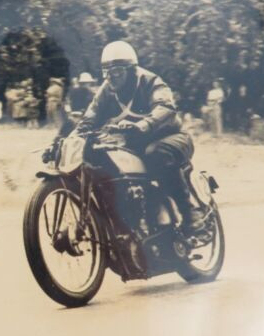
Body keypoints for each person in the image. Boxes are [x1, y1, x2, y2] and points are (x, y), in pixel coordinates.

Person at [75, 40, 204, 233]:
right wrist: (73, 138)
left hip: (171, 137)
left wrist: (143, 125)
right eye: (107, 72)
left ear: (131, 69)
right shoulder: (107, 89)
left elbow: (165, 107)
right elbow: (91, 115)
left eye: (117, 71)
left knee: (156, 153)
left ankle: (191, 213)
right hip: (135, 143)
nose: (112, 77)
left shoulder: (150, 81)